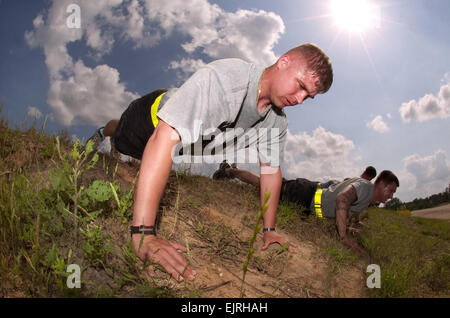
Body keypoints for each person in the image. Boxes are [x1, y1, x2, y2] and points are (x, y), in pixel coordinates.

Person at [89, 43, 334, 282]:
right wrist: (143, 234)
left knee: (146, 158)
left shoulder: (276, 123)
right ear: (284, 62)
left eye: (308, 97)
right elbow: (164, 136)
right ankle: (104, 130)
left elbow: (271, 172)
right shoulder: (226, 80)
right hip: (150, 120)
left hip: (176, 146)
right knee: (120, 136)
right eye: (301, 86)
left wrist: (268, 230)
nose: (300, 99)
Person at [214, 163, 396, 254]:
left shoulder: (367, 199)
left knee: (266, 186)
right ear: (381, 184)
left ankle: (231, 171)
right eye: (391, 191)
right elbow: (342, 200)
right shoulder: (365, 187)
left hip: (307, 204)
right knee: (264, 184)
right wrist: (343, 237)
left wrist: (349, 227)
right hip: (303, 194)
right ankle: (229, 171)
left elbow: (344, 209)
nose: (391, 196)